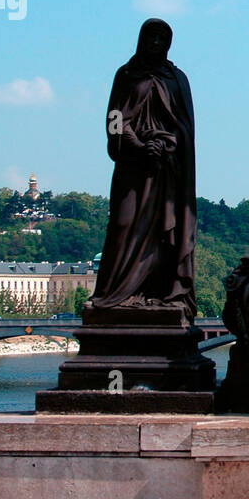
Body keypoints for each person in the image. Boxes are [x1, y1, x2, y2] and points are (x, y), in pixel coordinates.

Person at [90, 19, 198, 321]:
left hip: (167, 170)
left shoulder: (177, 79)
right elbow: (114, 118)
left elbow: (186, 130)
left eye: (163, 38)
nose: (156, 43)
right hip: (133, 167)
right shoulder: (126, 75)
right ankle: (114, 294)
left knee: (166, 235)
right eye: (151, 37)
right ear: (141, 39)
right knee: (123, 225)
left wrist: (167, 144)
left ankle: (160, 293)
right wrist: (136, 144)